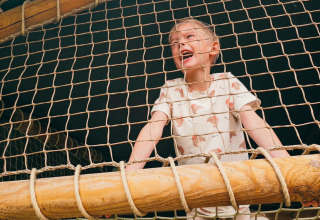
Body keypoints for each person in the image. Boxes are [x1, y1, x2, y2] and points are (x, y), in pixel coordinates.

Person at [125, 18, 290, 220]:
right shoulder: (171, 89)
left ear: (213, 48)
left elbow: (253, 122)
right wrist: (129, 174)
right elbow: (153, 128)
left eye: (189, 37)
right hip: (197, 202)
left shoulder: (227, 83)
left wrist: (286, 167)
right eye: (174, 43)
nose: (180, 44)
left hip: (238, 195)